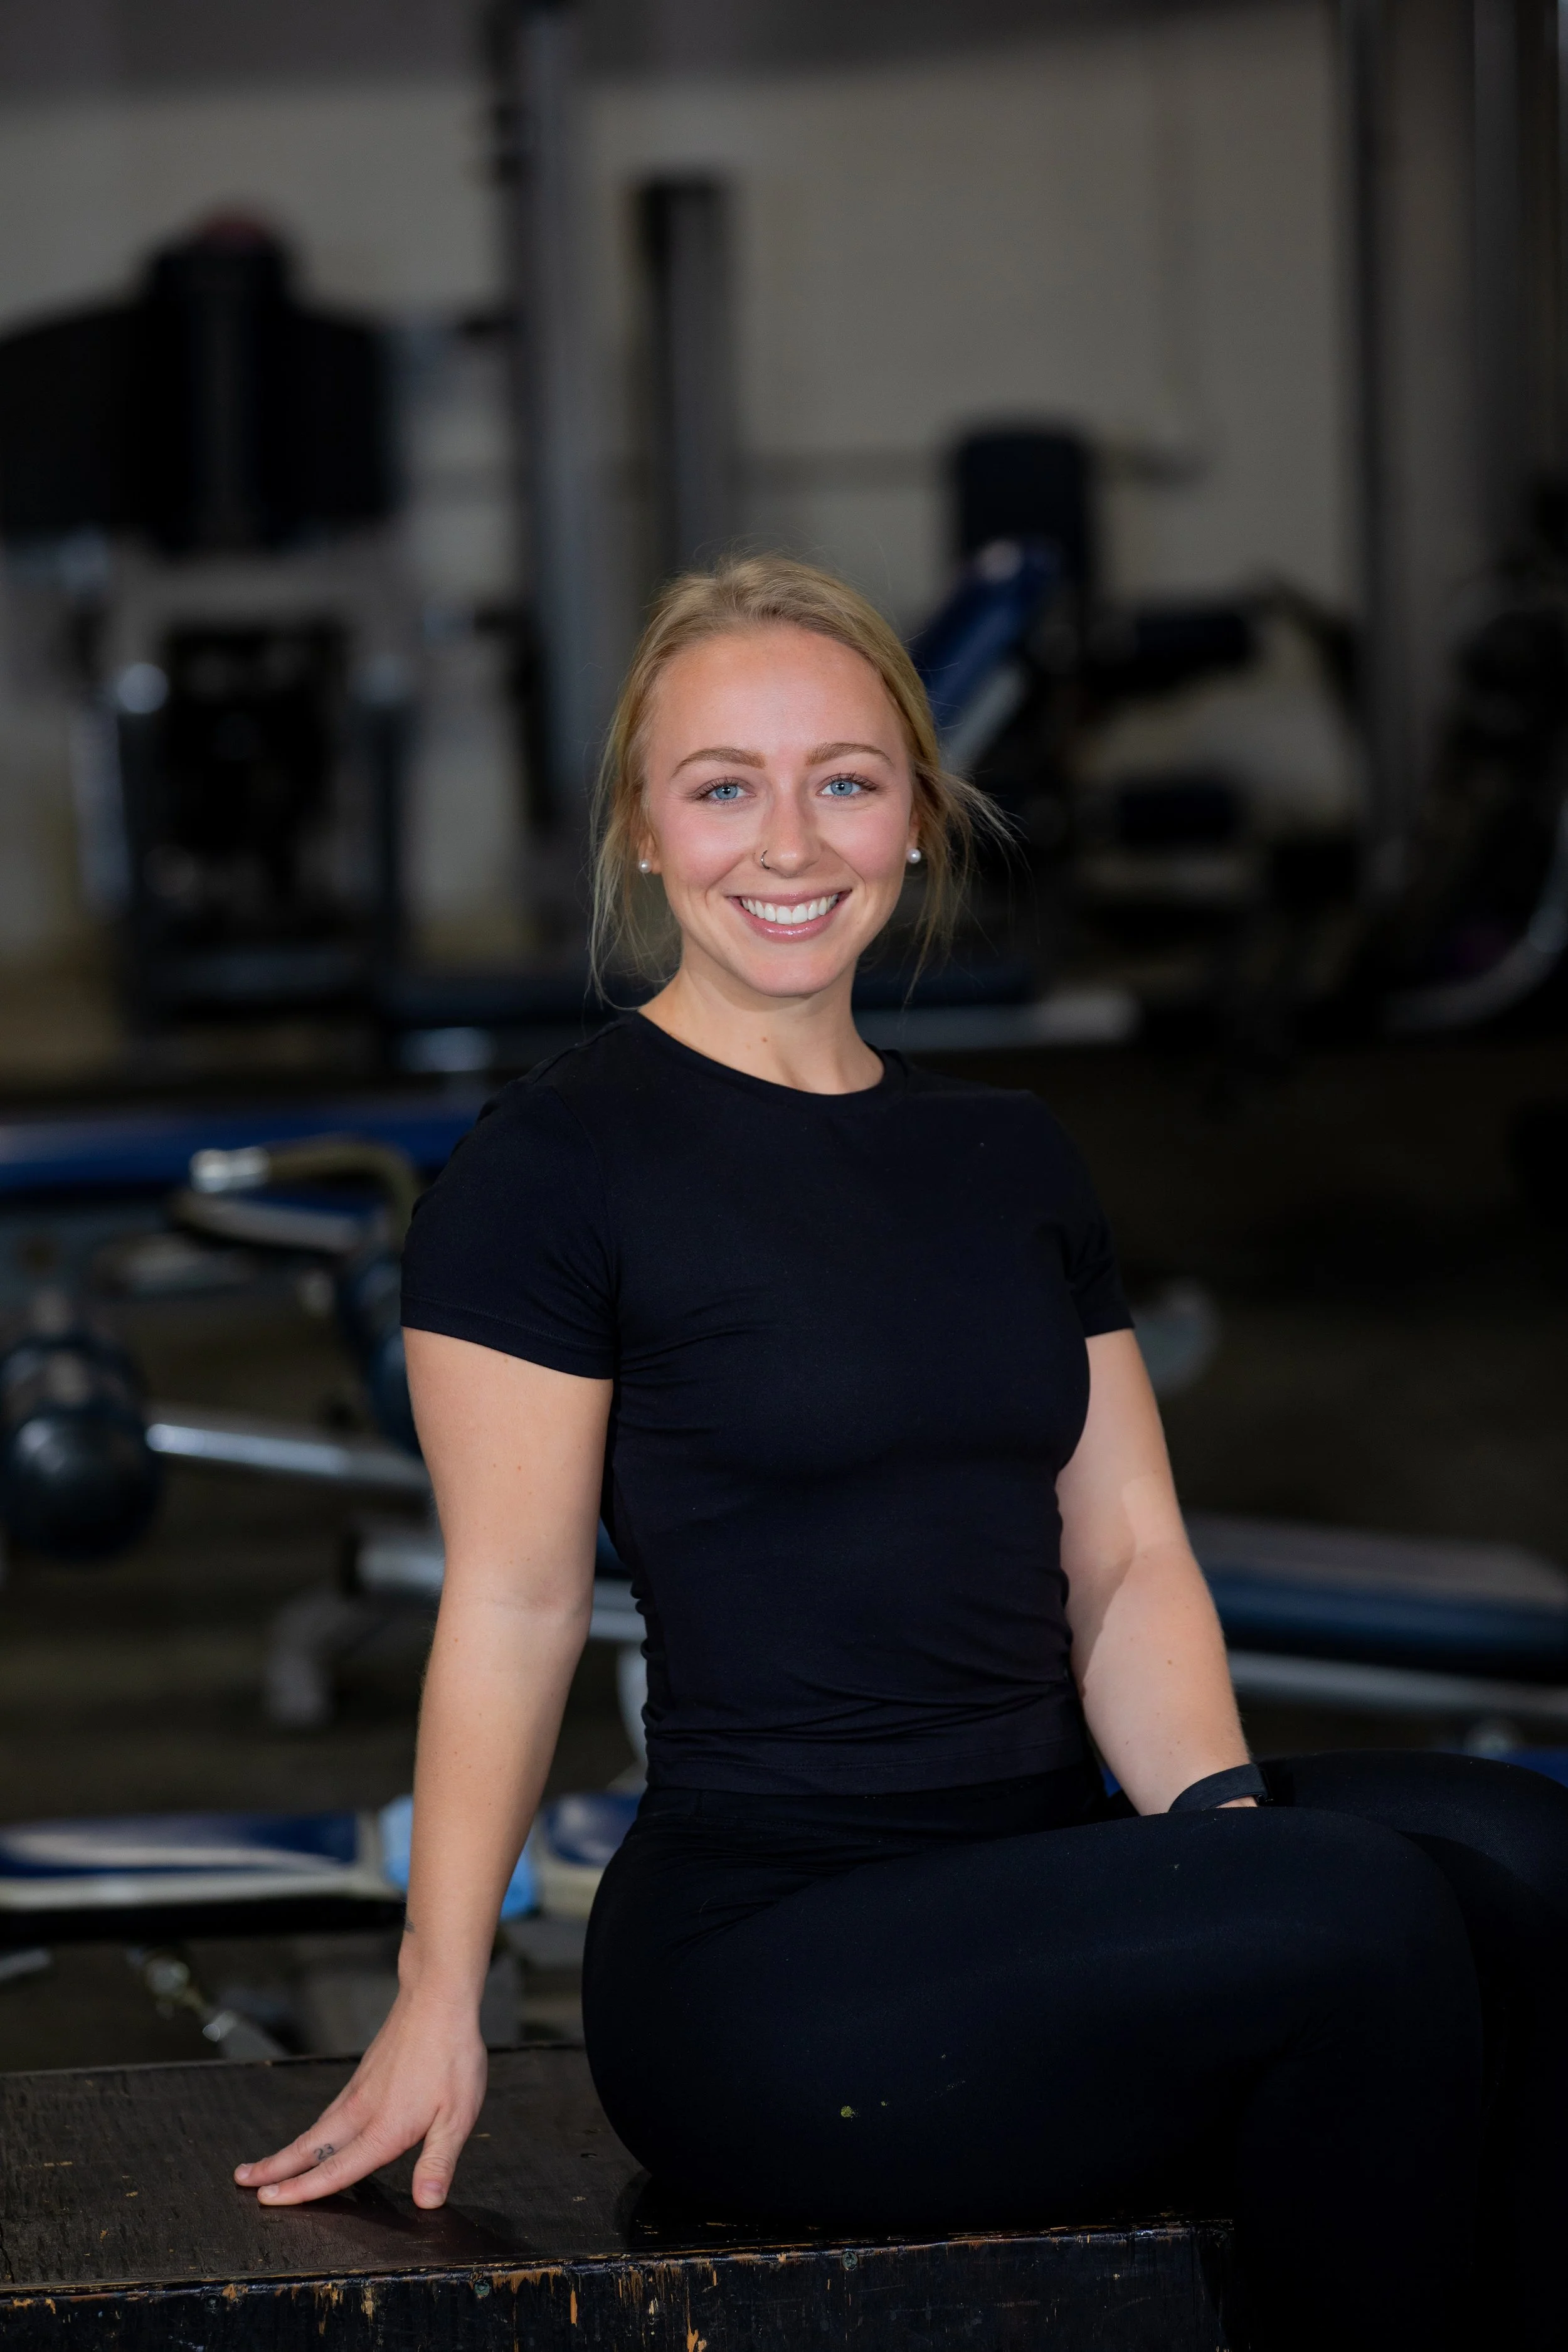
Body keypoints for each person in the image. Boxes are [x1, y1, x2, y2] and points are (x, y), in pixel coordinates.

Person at [235, 556, 1568, 2352]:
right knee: (1354, 1917)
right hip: (776, 1959)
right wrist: (434, 1987)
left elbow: (1123, 1556)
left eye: (844, 780)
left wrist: (1211, 1850)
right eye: (723, 787)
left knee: (1512, 1844)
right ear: (640, 831)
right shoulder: (548, 1177)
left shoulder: (1008, 1156)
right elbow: (518, 1598)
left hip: (1033, 1858)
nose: (787, 843)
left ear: (918, 822)